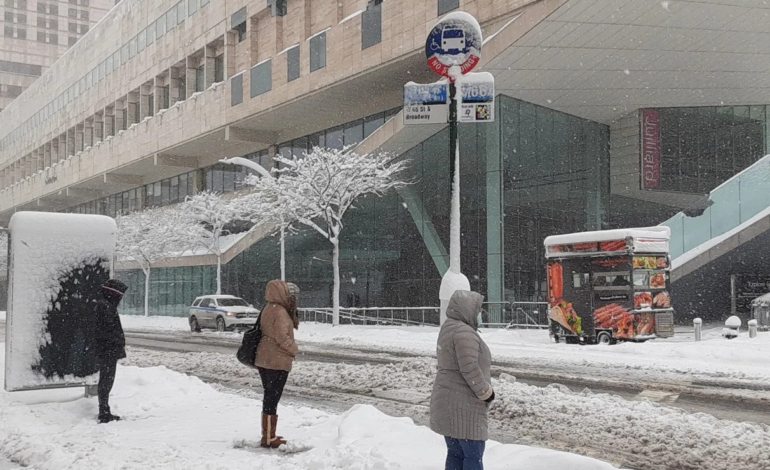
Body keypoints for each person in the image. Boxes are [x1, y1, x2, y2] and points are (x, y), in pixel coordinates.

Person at [430, 290, 494, 470]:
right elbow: (470, 368)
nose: (480, 313)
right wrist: (486, 393)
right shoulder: (464, 332)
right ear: (468, 309)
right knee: (473, 455)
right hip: (464, 405)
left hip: (448, 401)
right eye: (478, 309)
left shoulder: (449, 327)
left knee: (455, 453)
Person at [255, 280, 299, 448]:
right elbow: (282, 337)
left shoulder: (268, 308)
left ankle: (268, 434)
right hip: (277, 360)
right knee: (272, 398)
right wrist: (294, 350)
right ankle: (268, 437)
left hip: (264, 358)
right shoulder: (280, 312)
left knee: (269, 396)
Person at [94, 278, 128, 424]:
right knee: (107, 380)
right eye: (120, 295)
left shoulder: (104, 305)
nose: (120, 298)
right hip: (107, 350)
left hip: (107, 349)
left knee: (106, 379)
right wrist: (116, 343)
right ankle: (104, 412)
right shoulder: (106, 307)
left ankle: (104, 410)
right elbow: (107, 331)